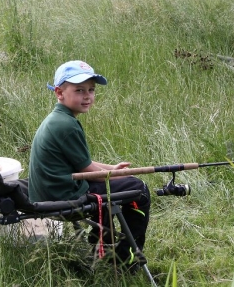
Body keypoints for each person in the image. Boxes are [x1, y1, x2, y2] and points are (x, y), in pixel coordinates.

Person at [28, 60, 150, 271]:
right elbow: (87, 172)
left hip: (51, 190)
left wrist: (112, 168)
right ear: (59, 92)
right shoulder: (66, 126)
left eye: (91, 90)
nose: (87, 96)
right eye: (79, 90)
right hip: (64, 196)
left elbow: (83, 164)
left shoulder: (58, 119)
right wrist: (112, 175)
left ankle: (102, 242)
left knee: (121, 182)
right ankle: (126, 257)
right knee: (139, 190)